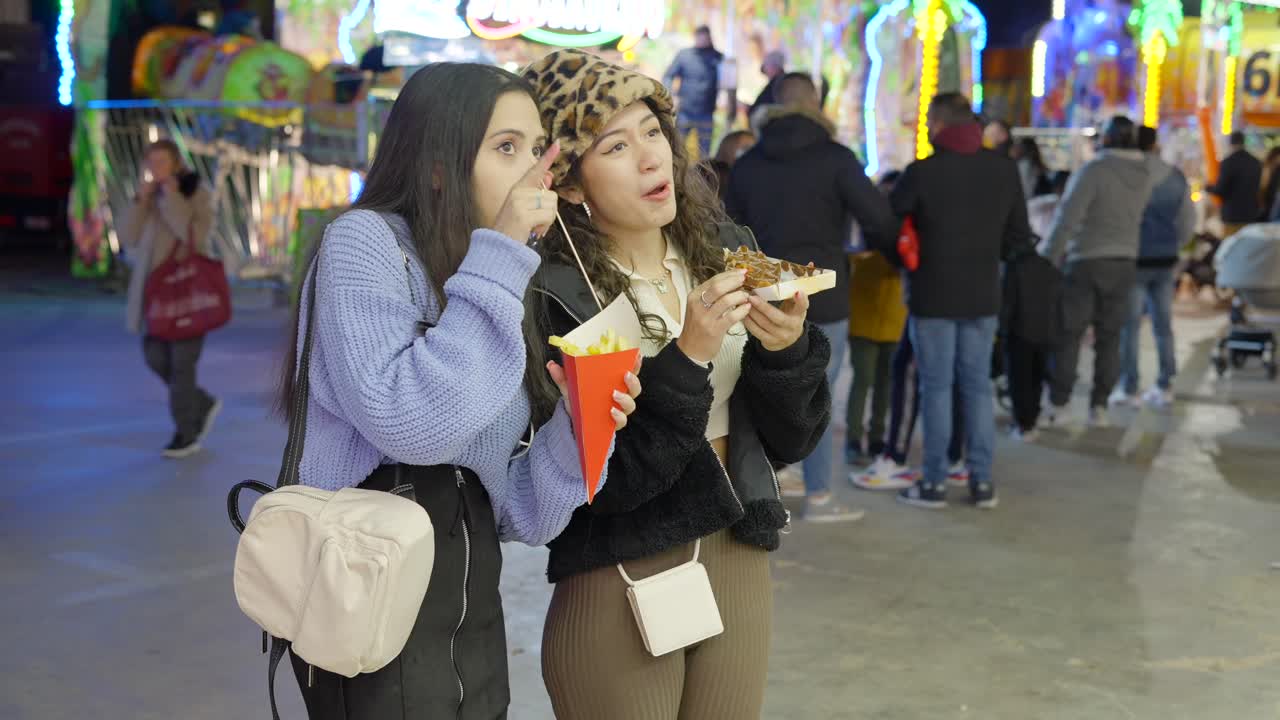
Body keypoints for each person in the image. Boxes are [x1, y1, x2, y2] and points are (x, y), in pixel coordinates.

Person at [275, 63, 640, 719]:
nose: (533, 172)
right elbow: (412, 426)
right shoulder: (365, 243)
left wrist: (581, 430)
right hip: (365, 594)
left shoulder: (490, 278)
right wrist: (502, 253)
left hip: (470, 610)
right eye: (506, 148)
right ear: (438, 164)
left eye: (536, 150)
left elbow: (514, 513)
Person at [522, 49, 831, 719]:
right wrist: (687, 359)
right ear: (569, 185)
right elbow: (603, 485)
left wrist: (788, 351)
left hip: (738, 543)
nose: (650, 158)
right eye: (615, 145)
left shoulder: (724, 251)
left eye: (653, 132)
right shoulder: (555, 295)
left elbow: (790, 438)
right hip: (622, 566)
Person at [726, 71, 896, 521]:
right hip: (822, 291)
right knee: (817, 386)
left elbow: (724, 227)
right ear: (816, 104)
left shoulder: (749, 162)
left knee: (761, 386)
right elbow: (878, 217)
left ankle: (780, 478)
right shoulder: (836, 158)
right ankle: (819, 494)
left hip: (761, 292)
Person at [875, 92, 1032, 510]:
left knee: (936, 387)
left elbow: (887, 227)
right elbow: (1019, 236)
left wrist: (906, 260)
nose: (925, 127)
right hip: (983, 294)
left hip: (932, 294)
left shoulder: (923, 173)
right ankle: (982, 483)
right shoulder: (1004, 170)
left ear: (940, 124)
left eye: (928, 120)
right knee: (977, 387)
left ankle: (934, 483)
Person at [1042, 115, 1151, 428]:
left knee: (1069, 334)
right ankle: (1100, 405)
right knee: (1110, 337)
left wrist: (1048, 257)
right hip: (1125, 261)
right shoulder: (1144, 174)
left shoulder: (1094, 171)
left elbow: (1068, 217)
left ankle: (1060, 404)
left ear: (1106, 139)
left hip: (1086, 260)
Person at [119, 139, 219, 458]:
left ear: (176, 163)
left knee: (181, 367)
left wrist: (173, 197)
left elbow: (195, 238)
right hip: (154, 294)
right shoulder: (148, 197)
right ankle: (200, 402)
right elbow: (126, 238)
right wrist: (140, 200)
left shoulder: (195, 192)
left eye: (162, 161)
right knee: (155, 357)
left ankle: (185, 434)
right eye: (151, 162)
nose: (155, 168)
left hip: (189, 294)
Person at [1111, 125, 1195, 410]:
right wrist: (1176, 246)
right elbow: (1187, 222)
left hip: (1134, 257)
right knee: (1163, 324)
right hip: (1165, 258)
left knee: (1130, 326)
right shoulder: (1174, 176)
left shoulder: (1127, 175)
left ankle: (1129, 386)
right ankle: (1165, 383)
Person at [844, 171, 907, 467]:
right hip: (866, 320)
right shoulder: (864, 233)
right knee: (865, 380)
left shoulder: (903, 233)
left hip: (892, 320)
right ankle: (855, 439)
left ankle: (877, 436)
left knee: (884, 384)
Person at [662, 25, 724, 160]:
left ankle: (704, 179)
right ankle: (677, 178)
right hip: (685, 112)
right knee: (677, 150)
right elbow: (668, 76)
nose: (701, 40)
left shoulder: (718, 58)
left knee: (705, 155)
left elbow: (727, 82)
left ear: (709, 38)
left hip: (707, 112)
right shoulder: (685, 55)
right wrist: (672, 96)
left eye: (705, 37)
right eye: (699, 37)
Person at [1208, 131, 1262, 237]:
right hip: (1251, 214)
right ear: (1243, 142)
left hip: (1232, 215)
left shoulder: (1228, 162)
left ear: (1231, 143)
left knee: (1231, 247)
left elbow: (1220, 190)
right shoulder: (1255, 162)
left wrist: (1208, 188)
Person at [700, 129, 755, 203]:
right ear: (728, 148)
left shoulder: (752, 178)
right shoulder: (708, 173)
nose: (751, 154)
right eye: (745, 148)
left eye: (753, 149)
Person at [747, 50, 786, 118]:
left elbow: (761, 105)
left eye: (766, 64)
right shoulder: (783, 81)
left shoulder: (777, 84)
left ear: (774, 66)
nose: (764, 68)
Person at [1259, 146, 1280, 222]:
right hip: (1267, 199)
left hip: (1273, 199)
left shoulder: (1277, 169)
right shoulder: (1266, 167)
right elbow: (1263, 186)